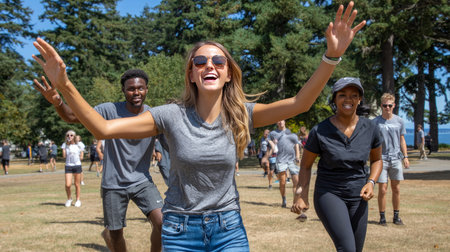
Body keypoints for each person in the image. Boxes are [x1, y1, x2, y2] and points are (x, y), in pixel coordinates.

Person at [32, 2, 365, 250]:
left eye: (218, 61)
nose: (209, 65)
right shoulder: (168, 115)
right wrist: (64, 84)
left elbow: (299, 104)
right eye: (200, 61)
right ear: (191, 73)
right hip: (178, 229)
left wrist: (331, 57)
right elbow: (103, 129)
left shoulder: (241, 113)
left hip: (229, 227)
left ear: (227, 72)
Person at [33, 70, 163, 252]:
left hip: (142, 181)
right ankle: (110, 236)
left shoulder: (154, 115)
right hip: (113, 184)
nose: (136, 92)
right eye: (130, 89)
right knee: (116, 233)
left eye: (140, 88)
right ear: (123, 91)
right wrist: (58, 102)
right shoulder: (109, 110)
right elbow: (72, 116)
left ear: (147, 90)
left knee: (163, 224)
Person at [291, 77, 383, 252]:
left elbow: (377, 159)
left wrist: (371, 182)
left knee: (356, 249)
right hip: (329, 193)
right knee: (347, 248)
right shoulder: (320, 130)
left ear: (359, 99)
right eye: (342, 95)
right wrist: (300, 195)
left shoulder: (371, 128)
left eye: (353, 95)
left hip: (359, 195)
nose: (348, 100)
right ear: (334, 99)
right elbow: (305, 165)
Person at [373, 93, 409, 226]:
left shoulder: (399, 121)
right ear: (381, 106)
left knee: (396, 188)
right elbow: (371, 142)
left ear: (394, 105)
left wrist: (405, 157)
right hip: (381, 159)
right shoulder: (375, 122)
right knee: (382, 188)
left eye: (389, 105)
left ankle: (396, 216)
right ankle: (382, 217)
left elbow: (402, 140)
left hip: (395, 158)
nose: (387, 108)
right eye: (384, 105)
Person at [269, 120, 301, 208]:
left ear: (284, 121)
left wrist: (297, 156)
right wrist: (272, 145)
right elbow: (268, 140)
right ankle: (284, 199)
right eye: (278, 121)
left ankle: (295, 202)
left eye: (282, 120)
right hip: (281, 160)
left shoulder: (291, 134)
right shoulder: (273, 133)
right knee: (282, 182)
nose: (280, 122)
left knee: (296, 181)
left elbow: (296, 145)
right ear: (276, 123)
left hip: (291, 160)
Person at [62, 130, 84, 207]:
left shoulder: (79, 145)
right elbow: (64, 156)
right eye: (68, 135)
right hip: (68, 166)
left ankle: (78, 200)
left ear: (74, 136)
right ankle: (69, 199)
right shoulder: (65, 145)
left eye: (71, 135)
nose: (69, 137)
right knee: (68, 185)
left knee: (77, 184)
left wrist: (80, 155)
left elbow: (82, 156)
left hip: (77, 165)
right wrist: (65, 147)